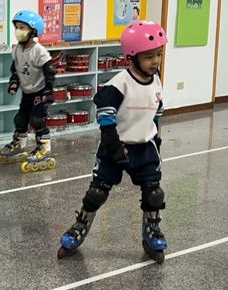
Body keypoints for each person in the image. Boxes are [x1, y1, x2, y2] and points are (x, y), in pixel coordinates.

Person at [57, 20, 168, 263]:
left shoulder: (156, 81)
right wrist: (115, 147)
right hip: (114, 146)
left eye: (158, 55)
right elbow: (106, 121)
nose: (155, 61)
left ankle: (151, 231)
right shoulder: (119, 84)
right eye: (149, 56)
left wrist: (157, 142)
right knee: (97, 192)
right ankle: (80, 226)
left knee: (154, 193)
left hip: (144, 147)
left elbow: (156, 114)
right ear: (133, 56)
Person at [0, 10, 57, 171]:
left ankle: (44, 148)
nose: (18, 31)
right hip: (27, 92)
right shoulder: (16, 50)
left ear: (33, 31)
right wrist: (14, 83)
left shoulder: (39, 51)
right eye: (17, 27)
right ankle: (20, 144)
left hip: (39, 92)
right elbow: (15, 70)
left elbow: (50, 71)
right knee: (20, 119)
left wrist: (48, 91)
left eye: (22, 28)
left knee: (36, 120)